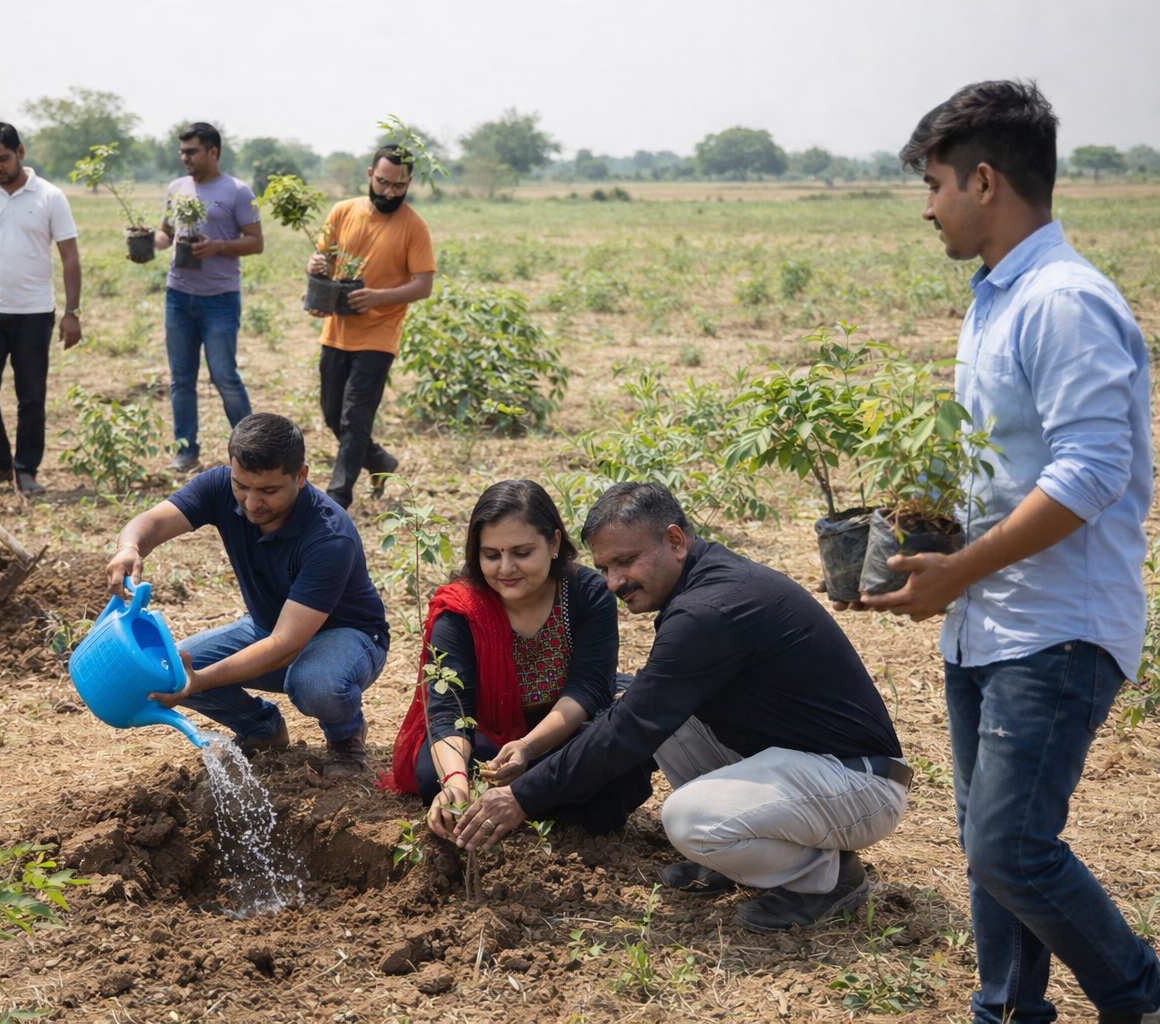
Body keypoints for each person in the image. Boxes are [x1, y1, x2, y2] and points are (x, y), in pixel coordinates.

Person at [848, 81, 1159, 1024]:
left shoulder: (1061, 302)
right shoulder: (996, 298)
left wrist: (963, 569)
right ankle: (1006, 1011)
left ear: (986, 180)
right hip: (992, 622)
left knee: (1008, 847)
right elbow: (1001, 461)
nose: (929, 206)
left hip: (1056, 624)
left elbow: (1094, 466)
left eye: (937, 184)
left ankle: (1138, 993)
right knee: (990, 839)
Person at [456, 482, 910, 933]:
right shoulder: (704, 583)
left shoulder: (710, 609)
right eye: (604, 567)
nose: (614, 582)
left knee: (688, 818)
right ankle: (741, 859)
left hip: (859, 783)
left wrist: (522, 795)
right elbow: (638, 711)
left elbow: (629, 729)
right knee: (646, 699)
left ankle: (827, 878)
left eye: (626, 561)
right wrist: (534, 760)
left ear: (675, 541)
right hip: (807, 765)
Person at [103, 413, 388, 776]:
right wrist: (129, 548)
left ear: (301, 476)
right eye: (242, 486)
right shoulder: (220, 486)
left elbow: (286, 643)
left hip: (349, 638)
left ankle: (346, 737)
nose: (252, 503)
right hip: (267, 628)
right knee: (171, 671)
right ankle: (262, 729)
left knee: (315, 682)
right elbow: (153, 522)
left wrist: (203, 680)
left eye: (268, 491)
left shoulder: (329, 537)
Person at [382, 480, 651, 840]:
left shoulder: (587, 595)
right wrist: (456, 783)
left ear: (554, 543)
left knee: (620, 748)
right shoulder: (461, 611)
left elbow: (586, 690)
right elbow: (448, 710)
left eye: (522, 553)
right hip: (487, 738)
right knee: (436, 775)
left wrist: (527, 747)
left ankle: (529, 799)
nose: (506, 568)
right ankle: (534, 799)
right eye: (491, 555)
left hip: (561, 734)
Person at [0, 121, 82, 496]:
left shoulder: (50, 197)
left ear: (20, 152)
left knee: (31, 396)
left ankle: (26, 469)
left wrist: (72, 311)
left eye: (2, 159)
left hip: (35, 313)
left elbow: (70, 258)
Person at [308, 144, 435, 509]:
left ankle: (337, 498)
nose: (390, 192)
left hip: (380, 335)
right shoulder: (342, 212)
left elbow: (423, 284)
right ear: (369, 175)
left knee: (354, 418)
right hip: (337, 331)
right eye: (383, 182)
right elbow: (323, 264)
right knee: (332, 413)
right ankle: (379, 460)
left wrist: (378, 297)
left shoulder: (414, 227)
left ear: (410, 182)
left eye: (400, 186)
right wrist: (315, 268)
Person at [149, 123, 264, 473]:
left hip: (220, 299)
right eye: (182, 151)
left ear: (212, 152)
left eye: (191, 151)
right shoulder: (177, 188)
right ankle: (186, 451)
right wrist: (146, 242)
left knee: (224, 376)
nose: (185, 157)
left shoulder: (238, 192)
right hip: (178, 296)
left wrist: (218, 246)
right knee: (181, 378)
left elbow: (256, 241)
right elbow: (166, 233)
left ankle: (253, 450)